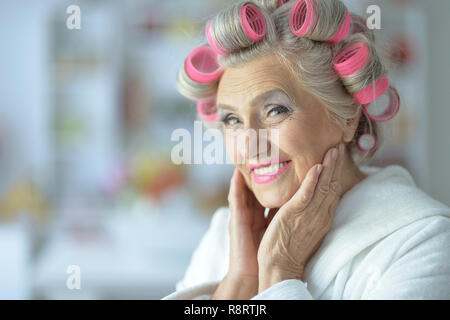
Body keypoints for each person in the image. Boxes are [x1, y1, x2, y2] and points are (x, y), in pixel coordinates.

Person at [163, 0, 450, 300]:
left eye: (275, 110)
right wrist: (239, 282)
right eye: (232, 119)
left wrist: (278, 272)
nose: (249, 144)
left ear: (347, 116)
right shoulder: (226, 237)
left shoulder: (422, 241)